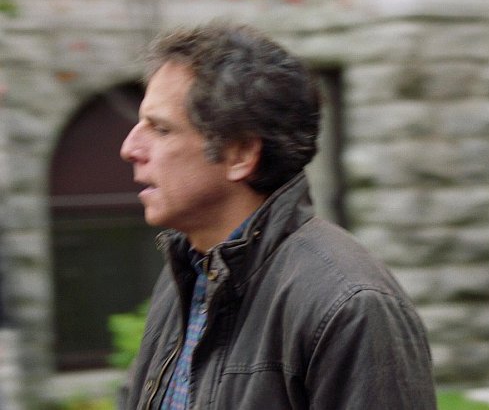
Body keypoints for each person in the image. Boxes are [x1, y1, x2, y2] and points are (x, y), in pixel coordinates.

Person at [119, 22, 437, 409]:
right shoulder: (187, 274)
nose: (129, 148)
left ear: (241, 154)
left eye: (160, 129)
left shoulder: (349, 304)